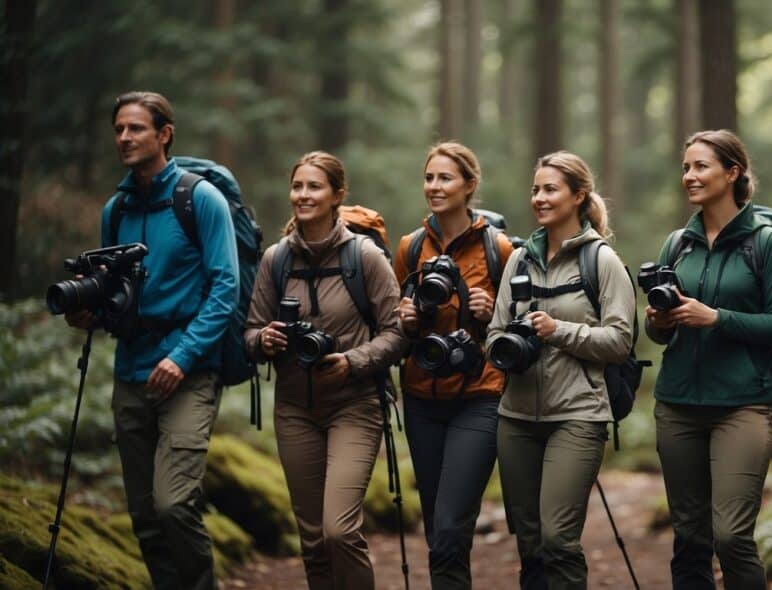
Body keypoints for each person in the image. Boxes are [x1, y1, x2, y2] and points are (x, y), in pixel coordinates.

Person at [64, 91, 239, 590]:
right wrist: (89, 312)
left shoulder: (199, 199)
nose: (124, 138)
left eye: (135, 128)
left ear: (164, 134)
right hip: (130, 371)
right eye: (119, 129)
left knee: (174, 502)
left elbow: (226, 288)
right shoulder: (115, 209)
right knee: (144, 515)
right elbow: (113, 292)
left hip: (189, 372)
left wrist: (181, 358)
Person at [244, 151, 404, 589]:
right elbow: (251, 330)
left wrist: (352, 362)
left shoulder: (365, 257)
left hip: (354, 405)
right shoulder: (275, 260)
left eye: (314, 186)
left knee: (339, 530)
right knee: (313, 540)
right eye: (297, 186)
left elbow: (397, 333)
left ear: (337, 195)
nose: (303, 195)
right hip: (294, 408)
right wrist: (265, 340)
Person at [645, 129, 772, 590]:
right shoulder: (678, 244)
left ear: (732, 172)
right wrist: (661, 322)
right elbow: (655, 332)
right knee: (690, 538)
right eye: (686, 167)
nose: (689, 176)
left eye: (701, 166)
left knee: (731, 536)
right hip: (677, 405)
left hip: (742, 404)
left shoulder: (764, 242)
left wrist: (718, 318)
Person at [486, 151, 635, 589]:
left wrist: (557, 331)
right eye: (536, 189)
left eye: (550, 189)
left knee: (558, 541)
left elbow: (620, 342)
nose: (539, 198)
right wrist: (508, 344)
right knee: (529, 544)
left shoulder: (601, 261)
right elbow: (494, 331)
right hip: (515, 417)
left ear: (578, 196)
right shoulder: (519, 259)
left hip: (578, 416)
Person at [392, 141, 515, 589]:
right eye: (429, 177)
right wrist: (405, 319)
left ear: (469, 185)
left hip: (479, 396)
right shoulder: (410, 248)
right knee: (436, 531)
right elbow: (398, 327)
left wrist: (491, 312)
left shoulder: (497, 248)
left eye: (445, 178)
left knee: (449, 528)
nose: (434, 186)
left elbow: (516, 328)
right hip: (422, 397)